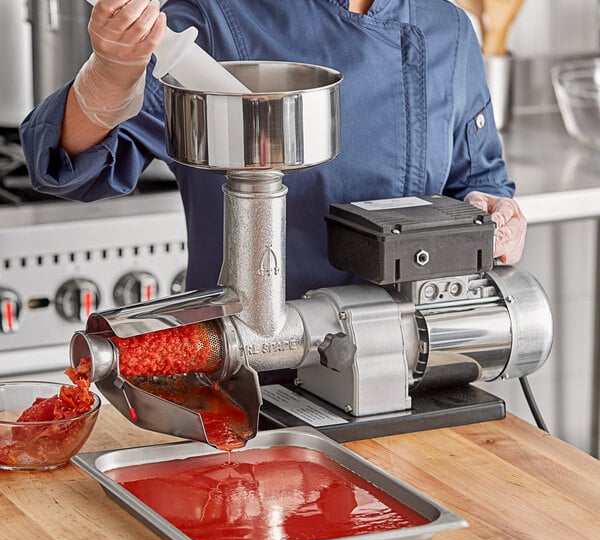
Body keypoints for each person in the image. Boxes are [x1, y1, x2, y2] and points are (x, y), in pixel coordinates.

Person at [20, 0, 526, 301]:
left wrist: (497, 216)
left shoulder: (449, 27)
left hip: (418, 364)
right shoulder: (215, 19)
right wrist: (111, 72)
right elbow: (73, 166)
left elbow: (475, 181)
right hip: (258, 382)